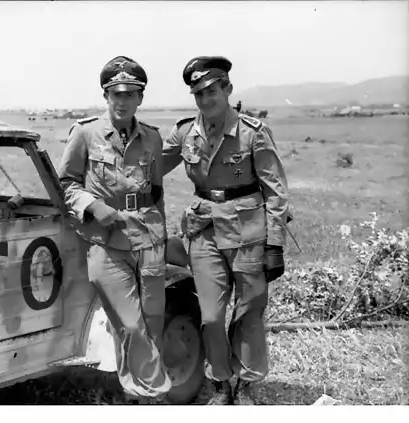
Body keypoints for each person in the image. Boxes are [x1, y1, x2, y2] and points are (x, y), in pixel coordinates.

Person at [162, 56, 291, 405]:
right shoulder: (185, 132)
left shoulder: (254, 133)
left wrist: (275, 245)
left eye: (212, 91)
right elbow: (150, 168)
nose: (206, 100)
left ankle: (246, 383)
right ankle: (219, 380)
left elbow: (276, 191)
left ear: (227, 89)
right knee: (211, 315)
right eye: (199, 94)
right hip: (203, 231)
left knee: (249, 312)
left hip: (248, 232)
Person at [57, 56, 171, 402]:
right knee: (130, 324)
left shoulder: (152, 138)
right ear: (106, 96)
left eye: (130, 94)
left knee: (150, 323)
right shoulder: (85, 133)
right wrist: (94, 206)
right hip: (105, 242)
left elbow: (156, 191)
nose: (122, 101)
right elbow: (65, 184)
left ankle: (133, 393)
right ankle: (157, 393)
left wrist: (161, 234)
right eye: (115, 94)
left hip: (148, 238)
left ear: (140, 98)